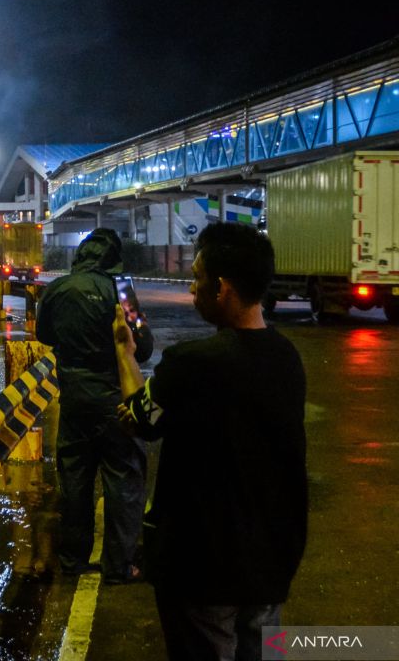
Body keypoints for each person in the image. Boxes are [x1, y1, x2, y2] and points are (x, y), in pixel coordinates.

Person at [114, 222, 307, 661]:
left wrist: (125, 352)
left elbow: (139, 421)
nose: (191, 288)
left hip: (204, 566)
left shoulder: (193, 363)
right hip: (271, 561)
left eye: (197, 279)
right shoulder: (287, 357)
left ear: (221, 287)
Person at [36, 227, 153, 582]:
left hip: (73, 400)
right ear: (114, 258)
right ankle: (119, 566)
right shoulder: (121, 291)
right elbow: (143, 347)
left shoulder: (56, 290)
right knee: (124, 482)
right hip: (115, 402)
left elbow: (44, 335)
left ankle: (72, 561)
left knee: (75, 483)